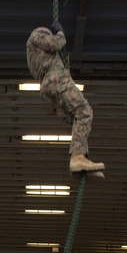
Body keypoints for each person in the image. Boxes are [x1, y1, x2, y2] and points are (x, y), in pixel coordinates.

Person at [25, 24, 105, 174]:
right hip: (57, 80)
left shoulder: (37, 56)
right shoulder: (37, 35)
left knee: (77, 119)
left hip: (49, 86)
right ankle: (77, 157)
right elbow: (55, 43)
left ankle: (81, 158)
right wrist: (61, 33)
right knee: (84, 111)